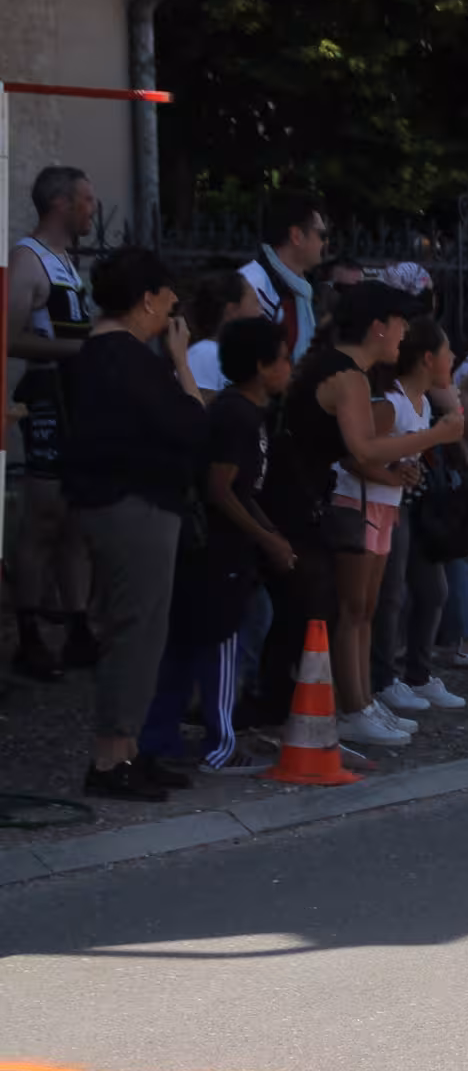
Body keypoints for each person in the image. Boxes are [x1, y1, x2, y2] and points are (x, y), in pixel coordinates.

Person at [61, 248, 208, 800]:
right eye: (169, 297)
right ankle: (111, 757)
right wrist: (182, 362)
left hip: (122, 503)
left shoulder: (100, 354)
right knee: (136, 630)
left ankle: (127, 749)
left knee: (139, 628)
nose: (174, 309)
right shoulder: (127, 357)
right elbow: (191, 425)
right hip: (134, 506)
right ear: (147, 299)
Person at [140, 316, 294, 776]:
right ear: (261, 366)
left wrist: (270, 533)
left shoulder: (246, 412)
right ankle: (220, 746)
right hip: (218, 552)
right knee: (222, 644)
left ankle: (160, 738)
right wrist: (265, 538)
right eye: (283, 359)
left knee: (186, 646)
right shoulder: (235, 416)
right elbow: (221, 489)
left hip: (218, 549)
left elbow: (243, 490)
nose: (289, 368)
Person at [314, 285, 463, 745]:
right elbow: (354, 456)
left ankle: (364, 700)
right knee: (355, 610)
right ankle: (353, 705)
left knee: (368, 608)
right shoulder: (388, 402)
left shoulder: (417, 403)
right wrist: (393, 473)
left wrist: (399, 474)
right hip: (357, 505)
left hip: (383, 506)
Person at [7, 165, 99, 681]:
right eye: (86, 200)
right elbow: (8, 337)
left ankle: (78, 626)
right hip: (47, 395)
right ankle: (28, 632)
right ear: (61, 203)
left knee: (77, 515)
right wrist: (77, 350)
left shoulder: (67, 260)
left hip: (77, 397)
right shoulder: (28, 259)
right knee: (45, 514)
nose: (92, 210)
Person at [374, 317, 468, 716]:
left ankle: (418, 672)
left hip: (415, 504)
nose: (454, 358)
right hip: (388, 506)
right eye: (447, 352)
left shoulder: (425, 403)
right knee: (391, 595)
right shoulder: (390, 402)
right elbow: (364, 453)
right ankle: (383, 679)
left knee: (433, 591)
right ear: (428, 358)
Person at [239, 194, 329, 361]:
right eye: (321, 235)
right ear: (296, 236)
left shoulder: (302, 289)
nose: (325, 243)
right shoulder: (251, 285)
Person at [184, 270, 262, 396]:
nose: (261, 312)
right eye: (256, 302)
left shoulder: (235, 356)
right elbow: (199, 406)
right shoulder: (204, 353)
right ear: (232, 310)